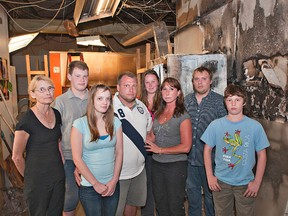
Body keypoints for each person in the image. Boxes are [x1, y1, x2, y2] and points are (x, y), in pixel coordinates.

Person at [202, 84, 270, 216]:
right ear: (225, 102)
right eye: (229, 100)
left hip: (246, 184)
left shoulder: (255, 127)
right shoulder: (216, 125)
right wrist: (210, 176)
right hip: (221, 182)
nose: (233, 103)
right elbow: (207, 150)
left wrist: (257, 182)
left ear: (244, 102)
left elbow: (262, 155)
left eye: (237, 100)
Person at [12, 75, 65, 216]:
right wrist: (30, 179)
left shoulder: (56, 114)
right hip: (37, 181)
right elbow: (16, 157)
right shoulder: (26, 120)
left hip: (58, 176)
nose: (47, 93)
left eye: (50, 88)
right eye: (42, 89)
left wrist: (63, 163)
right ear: (33, 94)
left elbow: (57, 141)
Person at [71, 84, 123, 216]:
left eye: (107, 98)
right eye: (100, 98)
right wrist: (95, 183)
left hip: (112, 184)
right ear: (92, 100)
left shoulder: (115, 122)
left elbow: (119, 152)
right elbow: (76, 158)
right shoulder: (79, 124)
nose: (105, 102)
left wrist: (114, 180)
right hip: (89, 186)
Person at [145, 77, 192, 216]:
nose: (167, 92)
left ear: (178, 93)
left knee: (175, 205)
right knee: (160, 203)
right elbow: (154, 136)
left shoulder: (183, 115)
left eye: (171, 89)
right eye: (164, 89)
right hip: (157, 165)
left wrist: (160, 150)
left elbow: (186, 147)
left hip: (175, 166)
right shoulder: (159, 112)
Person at [185, 66, 227, 216]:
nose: (200, 82)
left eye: (204, 79)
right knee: (193, 198)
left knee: (211, 199)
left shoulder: (220, 101)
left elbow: (225, 131)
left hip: (212, 161)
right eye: (197, 79)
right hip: (190, 160)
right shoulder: (186, 100)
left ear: (210, 81)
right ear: (193, 81)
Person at [114, 71, 153, 216]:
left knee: (132, 205)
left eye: (133, 86)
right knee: (115, 210)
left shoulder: (141, 106)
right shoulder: (109, 106)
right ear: (118, 87)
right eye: (126, 85)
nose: (131, 89)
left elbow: (149, 131)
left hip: (138, 171)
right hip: (118, 173)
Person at [54, 60, 89, 216]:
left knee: (93, 198)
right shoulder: (60, 101)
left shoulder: (95, 98)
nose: (82, 80)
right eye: (78, 76)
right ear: (69, 76)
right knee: (70, 199)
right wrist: (59, 156)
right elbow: (55, 133)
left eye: (85, 76)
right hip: (69, 158)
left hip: (92, 156)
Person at [139, 69, 161, 216]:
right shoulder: (138, 103)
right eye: (147, 82)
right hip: (144, 150)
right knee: (145, 186)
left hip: (160, 148)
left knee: (159, 186)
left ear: (158, 83)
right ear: (143, 85)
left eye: (153, 81)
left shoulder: (164, 101)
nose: (151, 85)